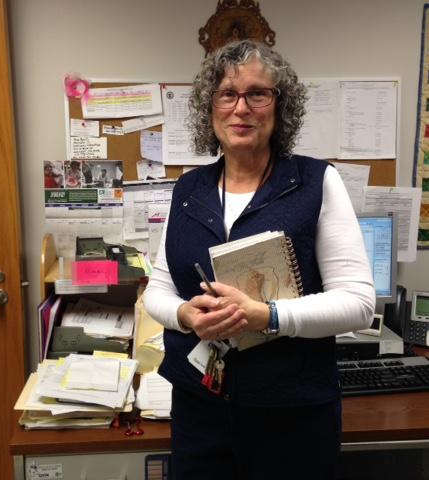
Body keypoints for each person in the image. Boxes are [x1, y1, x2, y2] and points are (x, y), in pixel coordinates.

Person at [143, 40, 375, 480]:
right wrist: (186, 315)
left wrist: (266, 316)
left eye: (257, 93)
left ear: (279, 105)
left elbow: (359, 301)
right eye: (227, 94)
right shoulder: (188, 190)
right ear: (208, 108)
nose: (241, 108)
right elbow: (158, 289)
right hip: (200, 410)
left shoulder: (315, 181)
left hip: (291, 418)